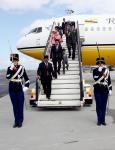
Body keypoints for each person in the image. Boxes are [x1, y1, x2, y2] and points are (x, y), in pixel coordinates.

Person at [6, 54, 30, 128]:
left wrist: (26, 87)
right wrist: (11, 69)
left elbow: (27, 79)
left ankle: (20, 121)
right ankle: (16, 121)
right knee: (15, 106)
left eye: (15, 60)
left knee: (20, 105)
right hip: (12, 89)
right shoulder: (9, 68)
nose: (14, 62)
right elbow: (7, 77)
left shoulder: (22, 68)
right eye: (13, 60)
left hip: (19, 88)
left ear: (18, 60)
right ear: (12, 61)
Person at [93, 58, 112, 126]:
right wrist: (100, 72)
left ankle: (103, 120)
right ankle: (99, 120)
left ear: (103, 64)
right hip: (97, 90)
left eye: (102, 63)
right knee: (99, 105)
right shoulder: (95, 70)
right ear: (97, 64)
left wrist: (110, 89)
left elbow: (109, 80)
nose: (100, 64)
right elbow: (95, 78)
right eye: (99, 63)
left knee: (104, 106)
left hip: (105, 90)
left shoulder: (106, 70)